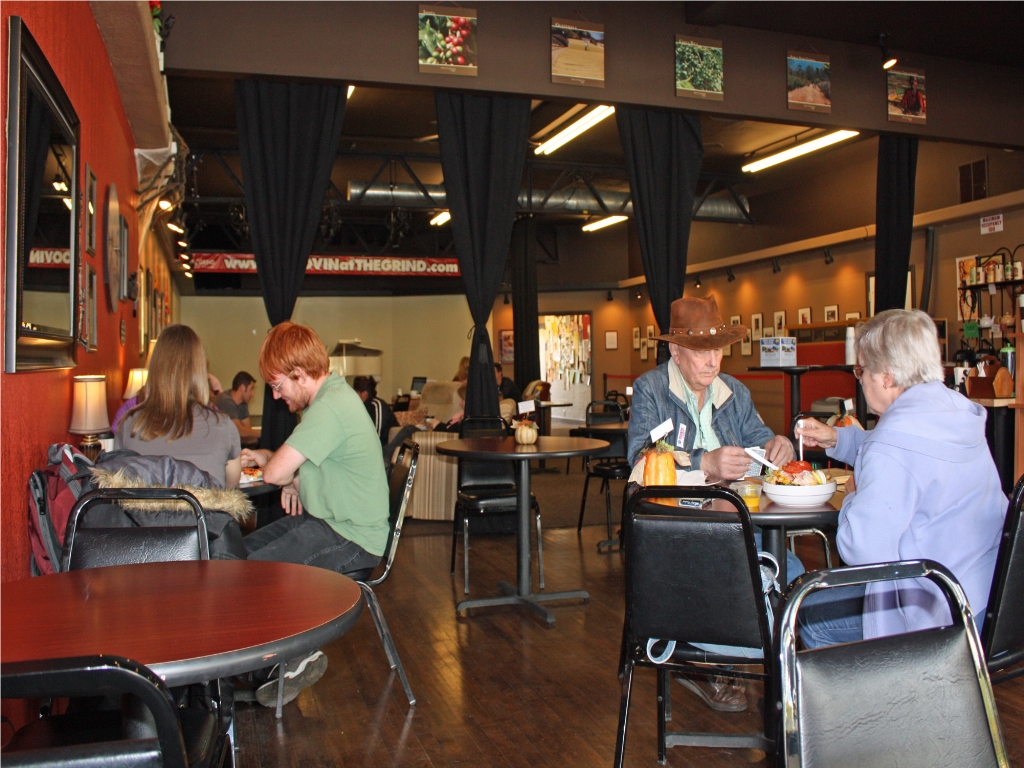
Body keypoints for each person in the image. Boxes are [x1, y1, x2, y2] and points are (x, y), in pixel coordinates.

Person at [627, 295, 798, 713]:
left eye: (718, 350)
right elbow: (640, 461)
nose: (713, 361)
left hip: (738, 520)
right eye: (702, 351)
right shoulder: (652, 389)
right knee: (754, 566)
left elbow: (761, 443)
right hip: (677, 521)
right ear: (675, 351)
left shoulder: (734, 392)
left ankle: (774, 642)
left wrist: (779, 446)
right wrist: (707, 464)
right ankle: (729, 655)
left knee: (787, 570)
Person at [795, 309, 1005, 648]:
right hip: (995, 594)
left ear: (887, 377)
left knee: (810, 616)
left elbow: (860, 549)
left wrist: (854, 496)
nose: (860, 379)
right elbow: (911, 455)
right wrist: (838, 438)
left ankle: (893, 683)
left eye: (862, 370)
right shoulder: (955, 410)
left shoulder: (890, 443)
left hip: (940, 610)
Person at [239, 322, 389, 707]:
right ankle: (275, 659)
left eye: (278, 386)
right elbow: (296, 465)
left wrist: (279, 471)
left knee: (249, 575)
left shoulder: (330, 408)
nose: (276, 396)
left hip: (352, 538)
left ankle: (292, 655)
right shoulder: (330, 398)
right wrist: (290, 476)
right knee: (237, 557)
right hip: (333, 522)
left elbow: (274, 474)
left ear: (299, 374)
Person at [116, 324, 241, 489]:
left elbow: (117, 483)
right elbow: (230, 488)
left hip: (143, 507)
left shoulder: (129, 424)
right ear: (200, 370)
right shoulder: (223, 426)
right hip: (203, 506)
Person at [352, 375, 417, 461]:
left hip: (386, 446)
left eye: (356, 393)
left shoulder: (376, 405)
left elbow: (376, 434)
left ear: (364, 394)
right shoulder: (362, 406)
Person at [214, 371, 260, 443]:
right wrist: (264, 433)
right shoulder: (225, 400)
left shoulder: (243, 403)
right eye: (251, 389)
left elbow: (247, 433)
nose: (252, 394)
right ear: (242, 388)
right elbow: (240, 431)